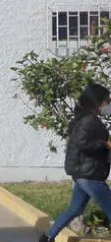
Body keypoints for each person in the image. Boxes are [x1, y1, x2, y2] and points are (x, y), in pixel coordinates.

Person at [39, 83, 111, 242]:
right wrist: (105, 144)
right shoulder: (88, 121)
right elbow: (82, 144)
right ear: (97, 102)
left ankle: (47, 237)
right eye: (107, 100)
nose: (109, 104)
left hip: (84, 174)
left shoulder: (88, 119)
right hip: (90, 175)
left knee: (75, 209)